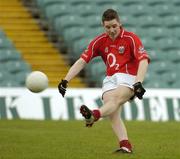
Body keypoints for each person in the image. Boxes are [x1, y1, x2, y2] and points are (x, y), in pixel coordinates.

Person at [58, 9, 150, 153]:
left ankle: (94, 116)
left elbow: (143, 60)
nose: (112, 30)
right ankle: (125, 145)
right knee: (112, 111)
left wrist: (138, 82)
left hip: (128, 77)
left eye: (114, 26)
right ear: (103, 26)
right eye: (108, 27)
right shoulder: (100, 41)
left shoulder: (131, 38)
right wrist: (65, 80)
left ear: (120, 23)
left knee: (114, 101)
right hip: (110, 79)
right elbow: (82, 61)